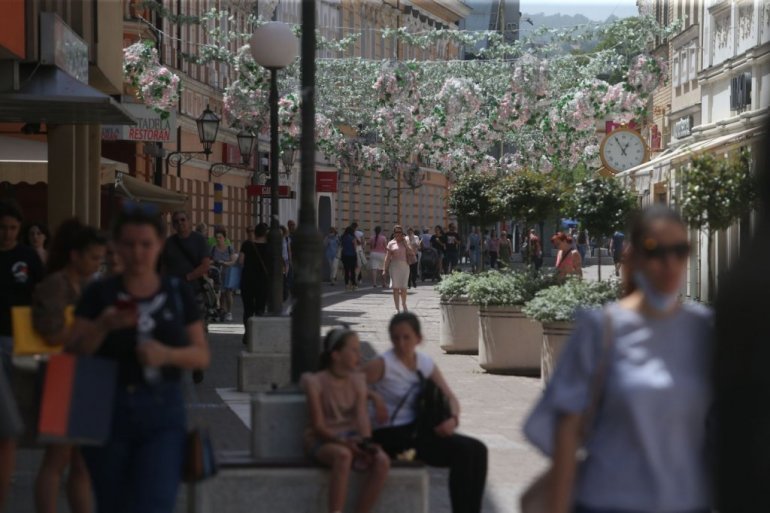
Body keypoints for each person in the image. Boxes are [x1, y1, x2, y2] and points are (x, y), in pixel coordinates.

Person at [524, 206, 713, 513]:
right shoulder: (601, 330)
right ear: (634, 256)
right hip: (609, 501)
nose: (669, 262)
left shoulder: (702, 330)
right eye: (655, 250)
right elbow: (566, 438)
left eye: (680, 250)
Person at [68, 204, 210, 513]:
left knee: (156, 501)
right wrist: (102, 326)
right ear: (117, 246)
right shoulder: (99, 294)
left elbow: (201, 356)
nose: (137, 253)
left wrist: (167, 354)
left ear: (159, 245)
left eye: (146, 244)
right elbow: (73, 353)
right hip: (107, 408)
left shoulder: (175, 293)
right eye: (129, 244)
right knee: (113, 504)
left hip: (162, 411)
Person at [365, 313, 488, 513]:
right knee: (463, 452)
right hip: (390, 435)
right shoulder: (382, 364)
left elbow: (450, 397)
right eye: (396, 338)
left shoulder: (424, 363)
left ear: (418, 339)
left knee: (478, 450)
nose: (401, 343)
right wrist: (374, 397)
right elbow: (349, 386)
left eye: (406, 337)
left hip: (417, 432)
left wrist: (452, 420)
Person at [33, 219, 106, 513]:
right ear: (75, 255)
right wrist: (93, 327)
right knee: (57, 459)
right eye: (94, 258)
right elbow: (50, 332)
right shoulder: (56, 284)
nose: (97, 264)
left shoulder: (89, 285)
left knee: (83, 462)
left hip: (88, 372)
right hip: (61, 372)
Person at [301, 328, 390, 513]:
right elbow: (318, 426)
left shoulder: (358, 380)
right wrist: (344, 442)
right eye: (354, 350)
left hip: (351, 438)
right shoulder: (315, 382)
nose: (359, 355)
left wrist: (366, 443)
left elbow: (362, 416)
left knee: (381, 460)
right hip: (322, 440)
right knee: (343, 455)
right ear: (336, 355)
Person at [0, 200, 43, 512]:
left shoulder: (27, 257)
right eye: (2, 228)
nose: (7, 234)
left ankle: (7, 463)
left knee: (16, 405)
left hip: (20, 338)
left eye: (13, 228)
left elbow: (41, 291)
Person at [161, 211, 210, 384]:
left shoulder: (199, 240)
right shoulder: (169, 243)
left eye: (183, 220)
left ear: (189, 221)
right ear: (173, 225)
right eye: (176, 221)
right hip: (173, 292)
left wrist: (188, 277)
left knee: (197, 328)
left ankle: (197, 364)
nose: (180, 223)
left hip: (194, 291)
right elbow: (163, 267)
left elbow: (205, 265)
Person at [239, 223, 271, 334]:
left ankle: (247, 333)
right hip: (262, 282)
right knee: (260, 309)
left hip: (247, 280)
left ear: (255, 233)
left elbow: (241, 261)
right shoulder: (269, 247)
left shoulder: (247, 244)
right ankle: (257, 334)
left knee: (248, 309)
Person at [382, 226, 415, 313]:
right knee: (395, 288)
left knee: (404, 288)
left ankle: (404, 304)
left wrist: (405, 244)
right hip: (394, 266)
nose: (398, 234)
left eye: (400, 232)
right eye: (396, 232)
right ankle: (397, 308)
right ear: (394, 233)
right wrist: (384, 269)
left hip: (404, 266)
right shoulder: (391, 243)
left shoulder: (406, 240)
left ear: (402, 233)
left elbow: (412, 253)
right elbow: (387, 257)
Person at [210, 229, 238, 322]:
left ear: (224, 238)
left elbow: (233, 261)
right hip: (216, 273)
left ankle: (229, 312)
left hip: (227, 273)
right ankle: (221, 311)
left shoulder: (229, 248)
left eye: (220, 237)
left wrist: (225, 263)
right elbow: (209, 260)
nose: (218, 239)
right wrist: (214, 262)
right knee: (220, 293)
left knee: (228, 293)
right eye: (217, 237)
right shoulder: (213, 248)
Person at [341, 227, 358, 292]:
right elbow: (355, 248)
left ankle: (346, 285)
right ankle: (353, 285)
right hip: (352, 256)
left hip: (345, 256)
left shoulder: (343, 237)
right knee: (352, 271)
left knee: (346, 271)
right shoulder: (353, 238)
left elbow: (341, 246)